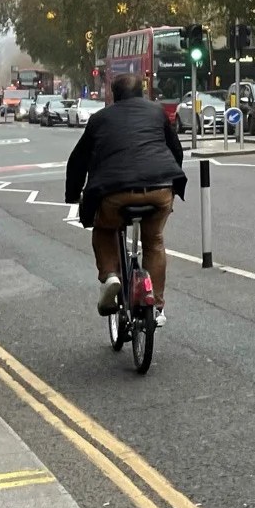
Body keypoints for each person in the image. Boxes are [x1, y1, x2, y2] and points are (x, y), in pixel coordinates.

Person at [65, 73, 187, 323]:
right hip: (160, 188)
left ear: (114, 95)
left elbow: (78, 160)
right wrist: (172, 182)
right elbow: (176, 149)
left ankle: (111, 276)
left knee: (104, 229)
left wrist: (73, 194)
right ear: (142, 92)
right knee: (154, 241)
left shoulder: (100, 119)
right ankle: (157, 307)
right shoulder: (157, 112)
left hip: (115, 192)